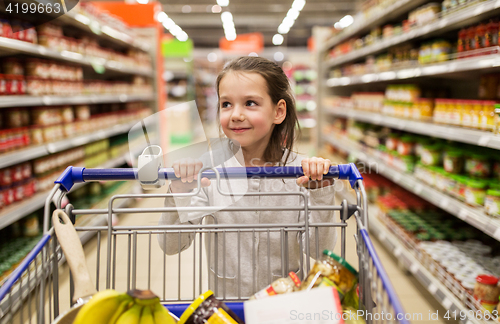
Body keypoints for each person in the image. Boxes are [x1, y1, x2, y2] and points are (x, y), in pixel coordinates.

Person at [158, 56, 336, 299]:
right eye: (226, 104)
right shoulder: (209, 173)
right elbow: (171, 245)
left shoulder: (300, 173)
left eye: (250, 103)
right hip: (228, 305)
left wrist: (320, 192)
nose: (235, 115)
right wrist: (179, 191)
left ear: (278, 111)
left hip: (283, 305)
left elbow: (321, 252)